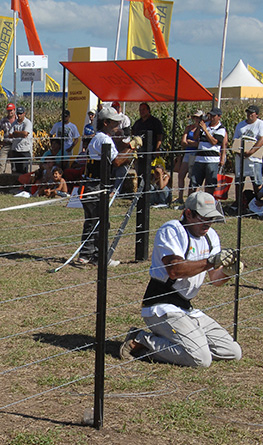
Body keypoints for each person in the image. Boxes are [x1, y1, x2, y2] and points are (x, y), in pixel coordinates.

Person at [120, 192, 243, 368]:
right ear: (188, 213)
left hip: (186, 308)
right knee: (201, 359)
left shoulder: (211, 237)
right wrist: (210, 261)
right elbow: (175, 270)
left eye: (212, 218)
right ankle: (140, 340)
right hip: (160, 306)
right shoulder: (171, 230)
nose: (208, 223)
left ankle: (187, 343)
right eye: (204, 217)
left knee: (232, 351)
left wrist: (229, 272)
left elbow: (215, 279)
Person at [78, 106, 136, 266]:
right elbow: (116, 161)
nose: (118, 125)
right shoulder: (104, 139)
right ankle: (99, 256)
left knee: (92, 220)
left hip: (91, 184)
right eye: (115, 122)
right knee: (100, 221)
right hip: (95, 186)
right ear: (106, 123)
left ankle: (86, 254)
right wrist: (131, 149)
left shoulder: (99, 137)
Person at [190, 107, 228, 196]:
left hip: (212, 160)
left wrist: (206, 130)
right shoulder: (205, 125)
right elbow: (195, 137)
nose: (211, 118)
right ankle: (191, 202)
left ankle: (208, 202)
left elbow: (214, 142)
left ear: (219, 117)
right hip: (199, 159)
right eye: (210, 115)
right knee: (194, 182)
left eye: (214, 116)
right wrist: (199, 128)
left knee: (210, 184)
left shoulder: (221, 129)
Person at [232, 104, 263, 199]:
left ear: (257, 114)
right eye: (248, 112)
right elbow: (235, 140)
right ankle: (238, 202)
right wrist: (240, 152)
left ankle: (257, 201)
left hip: (254, 158)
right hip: (241, 157)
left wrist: (250, 152)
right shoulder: (240, 125)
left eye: (252, 113)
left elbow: (262, 139)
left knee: (256, 181)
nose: (249, 115)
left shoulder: (260, 124)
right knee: (239, 181)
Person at [174, 110, 203, 204]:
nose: (196, 119)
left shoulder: (202, 129)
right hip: (187, 153)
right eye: (195, 117)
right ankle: (180, 196)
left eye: (198, 117)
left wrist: (191, 142)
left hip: (196, 155)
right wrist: (192, 143)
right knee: (181, 174)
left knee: (193, 177)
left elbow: (200, 144)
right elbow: (183, 142)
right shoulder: (188, 128)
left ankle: (193, 198)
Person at [9, 106, 33, 174]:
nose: (19, 115)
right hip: (16, 150)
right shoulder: (14, 123)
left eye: (21, 113)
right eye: (18, 113)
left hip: (24, 150)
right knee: (16, 170)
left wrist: (16, 133)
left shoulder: (27, 122)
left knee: (24, 171)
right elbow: (10, 135)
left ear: (24, 113)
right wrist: (19, 134)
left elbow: (25, 134)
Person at [0, 103, 17, 174]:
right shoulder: (3, 120)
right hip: (6, 144)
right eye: (8, 111)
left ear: (14, 110)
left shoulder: (18, 120)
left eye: (11, 110)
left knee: (15, 166)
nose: (10, 112)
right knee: (1, 163)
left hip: (16, 145)